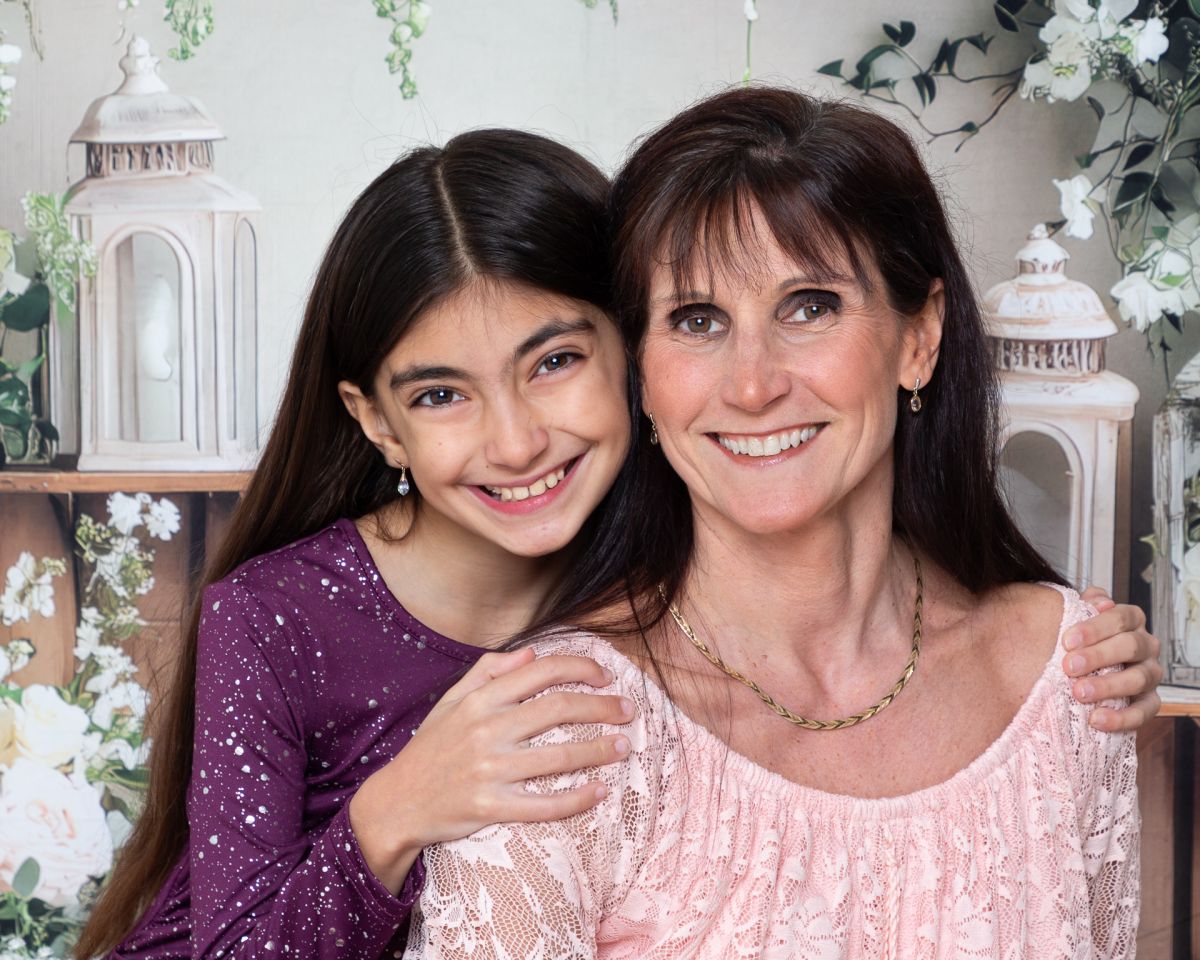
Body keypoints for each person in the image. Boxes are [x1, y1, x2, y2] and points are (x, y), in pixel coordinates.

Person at [405, 88, 1146, 958]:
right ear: (640, 374)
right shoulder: (564, 734)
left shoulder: (1073, 677)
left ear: (920, 338)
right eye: (697, 320)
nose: (753, 385)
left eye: (809, 307)